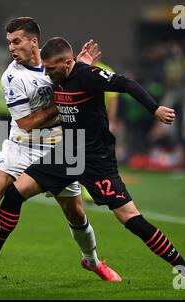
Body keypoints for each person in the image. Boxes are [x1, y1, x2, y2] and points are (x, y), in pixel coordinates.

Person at [0, 37, 185, 288]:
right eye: (44, 67)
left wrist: (154, 109)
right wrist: (79, 61)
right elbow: (66, 67)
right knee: (14, 194)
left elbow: (127, 84)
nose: (46, 72)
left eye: (51, 68)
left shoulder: (88, 76)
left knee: (131, 220)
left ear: (67, 63)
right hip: (68, 152)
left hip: (97, 160)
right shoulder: (63, 70)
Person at [0, 17, 121, 286]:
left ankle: (92, 261)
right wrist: (63, 102)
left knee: (76, 213)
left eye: (17, 41)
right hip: (21, 144)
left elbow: (78, 79)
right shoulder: (12, 76)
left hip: (58, 147)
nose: (11, 47)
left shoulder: (54, 63)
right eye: (9, 42)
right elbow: (27, 123)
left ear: (34, 42)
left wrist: (81, 67)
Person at [82, 46, 119, 202]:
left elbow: (113, 99)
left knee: (100, 156)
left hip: (100, 121)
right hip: (82, 119)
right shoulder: (81, 70)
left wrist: (112, 121)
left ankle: (106, 188)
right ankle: (86, 190)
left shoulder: (106, 71)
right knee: (82, 155)